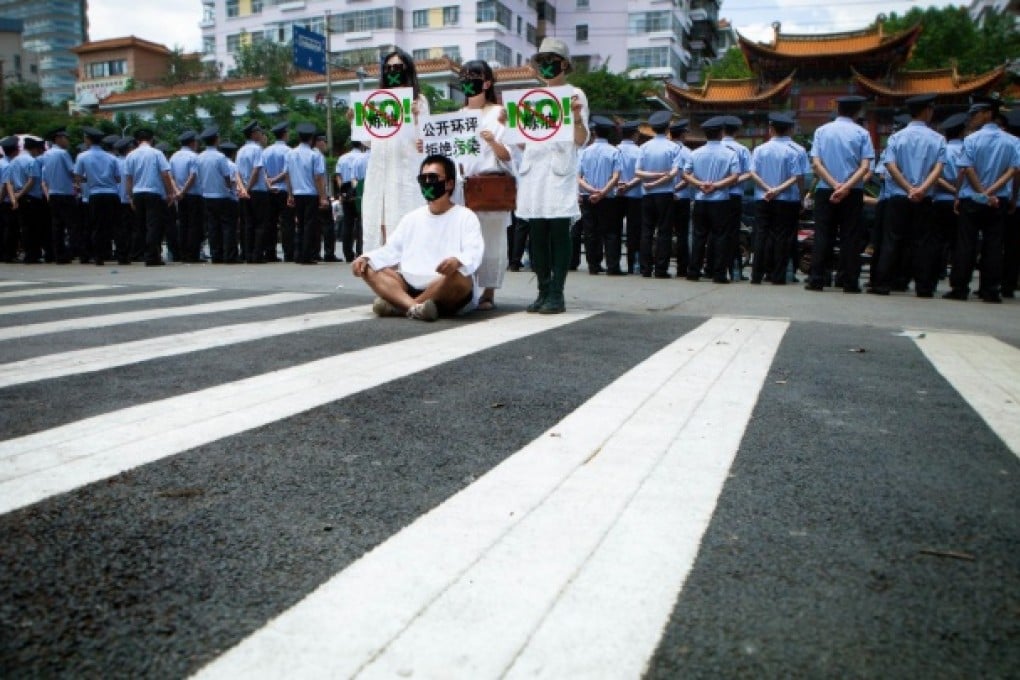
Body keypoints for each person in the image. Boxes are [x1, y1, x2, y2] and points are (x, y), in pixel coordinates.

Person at [352, 154, 483, 322]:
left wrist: (457, 260)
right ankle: (416, 308)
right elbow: (390, 250)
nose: (427, 182)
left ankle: (401, 307)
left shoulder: (466, 216)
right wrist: (365, 258)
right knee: (368, 268)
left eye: (433, 177)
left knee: (461, 276)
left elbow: (474, 252)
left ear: (449, 183)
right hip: (408, 285)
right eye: (423, 178)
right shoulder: (411, 218)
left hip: (443, 285)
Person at [514, 38, 589, 313]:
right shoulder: (530, 99)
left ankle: (557, 293)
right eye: (542, 61)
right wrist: (509, 128)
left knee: (558, 231)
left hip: (559, 169)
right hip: (534, 171)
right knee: (536, 232)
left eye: (552, 60)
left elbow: (581, 140)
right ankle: (542, 290)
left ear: (564, 64)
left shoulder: (575, 94)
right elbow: (525, 141)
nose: (546, 65)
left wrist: (577, 117)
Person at [943, 98, 1020, 303]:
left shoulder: (971, 140)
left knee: (966, 243)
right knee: (994, 244)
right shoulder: (1012, 141)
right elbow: (1013, 171)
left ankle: (959, 287)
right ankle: (990, 289)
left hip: (973, 198)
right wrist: (1002, 194)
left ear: (988, 113)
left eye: (976, 114)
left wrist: (972, 193)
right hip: (998, 199)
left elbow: (966, 169)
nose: (972, 118)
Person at [870, 94, 946, 298]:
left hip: (898, 197)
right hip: (925, 197)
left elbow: (889, 165)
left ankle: (883, 283)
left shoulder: (896, 137)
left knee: (892, 240)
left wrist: (907, 187)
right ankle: (924, 286)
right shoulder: (937, 139)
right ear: (927, 111)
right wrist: (921, 189)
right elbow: (938, 169)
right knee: (923, 242)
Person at [358, 49, 430, 250]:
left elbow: (425, 139)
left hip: (404, 171)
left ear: (407, 69)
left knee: (403, 221)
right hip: (379, 170)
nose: (392, 71)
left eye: (397, 67)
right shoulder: (375, 101)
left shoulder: (419, 100)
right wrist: (354, 122)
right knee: (378, 222)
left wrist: (415, 117)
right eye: (388, 68)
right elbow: (368, 142)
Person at [456, 59, 514, 309]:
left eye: (475, 75)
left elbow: (509, 155)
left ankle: (489, 291)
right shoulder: (457, 117)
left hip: (491, 184)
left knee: (492, 240)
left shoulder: (499, 114)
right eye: (465, 75)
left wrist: (492, 141)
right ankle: (466, 288)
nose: (469, 79)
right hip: (463, 187)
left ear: (487, 82)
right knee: (464, 240)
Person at [806, 95, 876, 293]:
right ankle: (849, 281)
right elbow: (865, 166)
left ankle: (817, 278)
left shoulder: (822, 131)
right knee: (850, 236)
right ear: (857, 112)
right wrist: (846, 187)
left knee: (822, 235)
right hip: (852, 192)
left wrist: (834, 184)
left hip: (825, 189)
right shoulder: (862, 133)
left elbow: (816, 163)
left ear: (838, 110)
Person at [683, 116, 741, 282]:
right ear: (722, 133)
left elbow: (685, 174)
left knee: (699, 236)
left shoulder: (695, 153)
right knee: (720, 237)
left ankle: (693, 271)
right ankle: (719, 273)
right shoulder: (730, 154)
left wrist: (700, 184)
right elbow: (735, 176)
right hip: (721, 200)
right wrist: (716, 185)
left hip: (701, 199)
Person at [748, 113, 804, 285]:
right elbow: (798, 177)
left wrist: (767, 189)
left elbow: (752, 173)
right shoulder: (796, 151)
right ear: (789, 129)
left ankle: (756, 274)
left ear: (771, 129)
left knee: (761, 235)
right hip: (787, 199)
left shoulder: (759, 149)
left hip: (763, 198)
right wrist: (786, 192)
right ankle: (778, 276)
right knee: (783, 238)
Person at [635, 110, 680, 278]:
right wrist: (660, 176)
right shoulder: (674, 147)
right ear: (668, 128)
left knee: (646, 231)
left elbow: (638, 172)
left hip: (646, 193)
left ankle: (645, 268)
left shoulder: (644, 147)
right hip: (665, 193)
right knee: (664, 232)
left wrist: (652, 180)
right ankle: (661, 269)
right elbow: (673, 173)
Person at [124, 127, 175, 266]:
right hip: (154, 193)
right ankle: (153, 256)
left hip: (138, 193)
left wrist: (130, 197)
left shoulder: (131, 155)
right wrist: (170, 192)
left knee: (141, 226)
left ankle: (142, 253)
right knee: (154, 226)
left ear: (137, 141)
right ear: (152, 139)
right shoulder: (157, 153)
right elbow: (165, 174)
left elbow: (128, 178)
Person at [577, 115, 621, 277]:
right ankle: (612, 266)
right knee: (610, 232)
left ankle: (593, 266)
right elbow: (616, 177)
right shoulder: (614, 152)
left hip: (588, 197)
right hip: (608, 198)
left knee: (590, 232)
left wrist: (592, 190)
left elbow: (578, 177)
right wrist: (602, 192)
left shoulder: (584, 152)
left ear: (594, 133)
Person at [284, 122, 328, 264]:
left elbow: (287, 175)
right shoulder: (314, 155)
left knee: (300, 225)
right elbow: (318, 177)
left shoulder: (290, 153)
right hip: (310, 193)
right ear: (311, 139)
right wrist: (322, 196)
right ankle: (306, 255)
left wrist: (290, 194)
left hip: (297, 193)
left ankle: (298, 254)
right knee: (310, 225)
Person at [721, 116, 752, 281]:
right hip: (734, 195)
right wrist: (733, 181)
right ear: (737, 131)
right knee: (733, 233)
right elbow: (749, 173)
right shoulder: (742, 150)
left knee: (716, 233)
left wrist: (720, 184)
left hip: (714, 195)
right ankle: (735, 270)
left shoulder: (715, 148)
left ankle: (712, 267)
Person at [7, 136, 45, 264]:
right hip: (31, 197)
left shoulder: (13, 161)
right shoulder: (31, 161)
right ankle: (32, 255)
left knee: (24, 227)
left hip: (19, 196)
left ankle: (28, 253)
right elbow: (32, 179)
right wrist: (22, 193)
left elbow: (10, 182)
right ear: (34, 149)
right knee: (34, 227)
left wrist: (15, 197)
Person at [236, 120, 269, 264]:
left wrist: (243, 189)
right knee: (260, 224)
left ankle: (247, 253)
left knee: (248, 224)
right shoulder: (257, 149)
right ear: (254, 134)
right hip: (256, 190)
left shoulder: (240, 150)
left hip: (244, 191)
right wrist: (248, 188)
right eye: (260, 133)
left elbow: (236, 173)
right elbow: (256, 170)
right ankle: (257, 254)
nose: (262, 135)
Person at [615, 120, 643, 275]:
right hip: (635, 196)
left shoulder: (615, 150)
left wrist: (620, 185)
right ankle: (634, 264)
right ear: (635, 134)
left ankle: (615, 262)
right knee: (634, 231)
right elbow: (640, 174)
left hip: (617, 194)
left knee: (615, 230)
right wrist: (629, 185)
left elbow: (612, 173)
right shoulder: (639, 152)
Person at [263, 121, 292, 262]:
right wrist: (274, 180)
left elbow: (262, 170)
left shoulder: (266, 151)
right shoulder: (288, 151)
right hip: (284, 190)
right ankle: (289, 252)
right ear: (285, 135)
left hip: (269, 190)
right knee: (287, 223)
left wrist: (268, 181)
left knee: (270, 222)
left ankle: (270, 252)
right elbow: (287, 172)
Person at [668, 119, 693, 278]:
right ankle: (682, 268)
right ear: (683, 134)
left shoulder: (665, 149)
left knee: (663, 232)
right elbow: (689, 176)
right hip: (682, 198)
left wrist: (670, 190)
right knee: (683, 234)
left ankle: (660, 265)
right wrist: (676, 189)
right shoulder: (687, 152)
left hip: (663, 196)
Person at [335, 140, 366, 262]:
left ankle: (347, 253)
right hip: (360, 189)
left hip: (346, 189)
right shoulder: (363, 157)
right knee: (360, 222)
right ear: (362, 144)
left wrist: (342, 192)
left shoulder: (342, 158)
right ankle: (360, 251)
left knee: (347, 222)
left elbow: (338, 176)